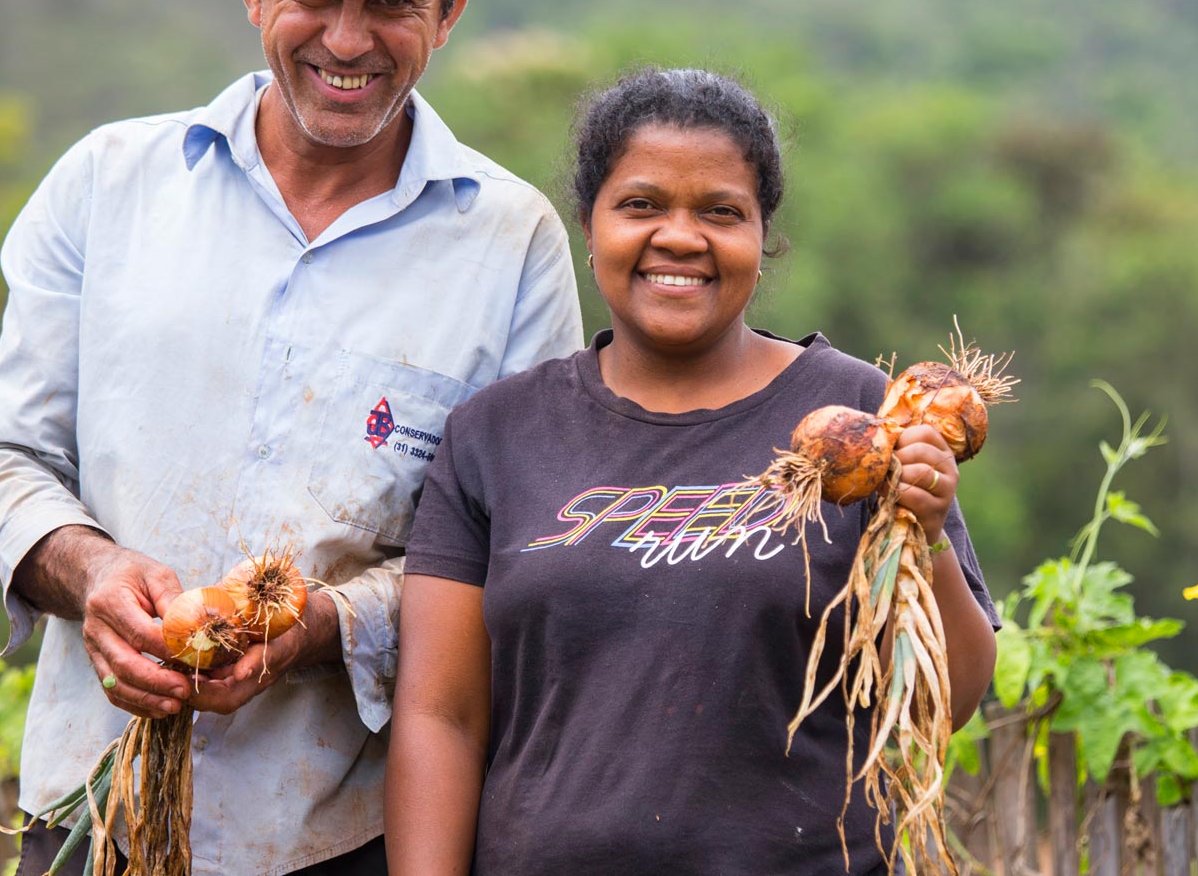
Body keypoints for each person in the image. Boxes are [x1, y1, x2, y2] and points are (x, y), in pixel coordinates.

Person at [0, 0, 583, 875]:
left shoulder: (510, 242)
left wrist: (322, 626)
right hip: (88, 815)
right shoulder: (109, 185)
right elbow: (3, 467)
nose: (348, 39)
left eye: (392, 1)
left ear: (452, 9)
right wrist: (95, 574)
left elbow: (513, 558)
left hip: (343, 839)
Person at [386, 68, 1001, 874]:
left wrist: (926, 536)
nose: (680, 237)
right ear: (589, 225)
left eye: (721, 211)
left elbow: (942, 702)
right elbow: (442, 716)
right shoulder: (497, 434)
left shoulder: (863, 416)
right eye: (641, 205)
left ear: (763, 234)